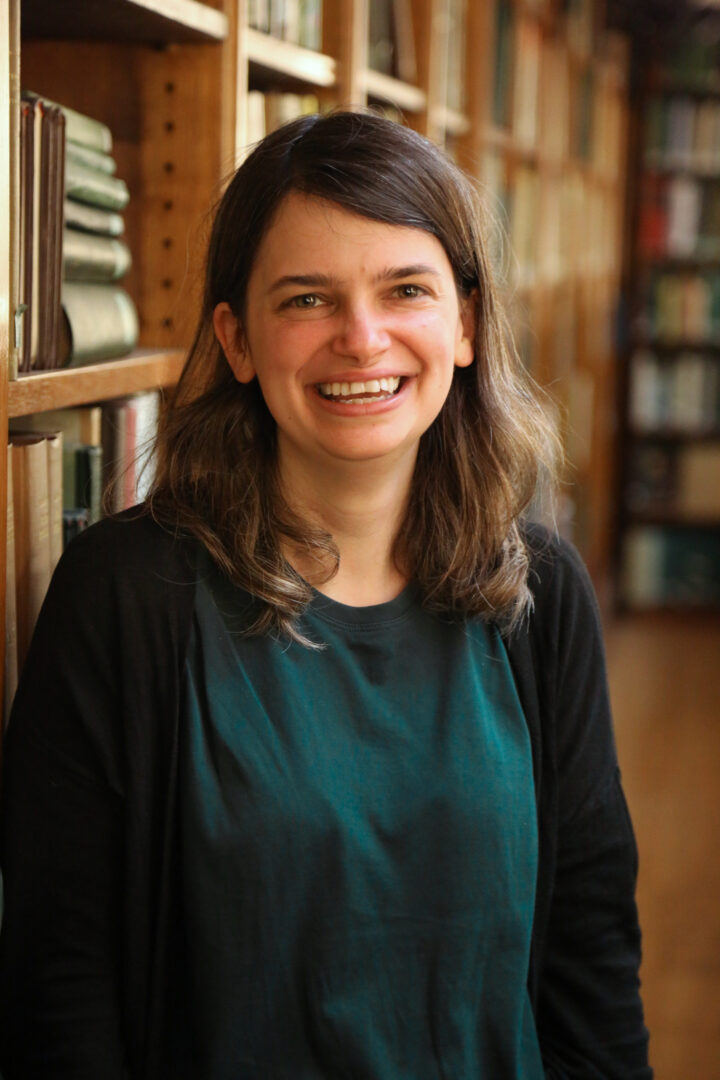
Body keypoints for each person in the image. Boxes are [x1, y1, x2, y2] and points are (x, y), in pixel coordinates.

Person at [0, 110, 651, 1078]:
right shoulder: (125, 594)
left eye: (406, 291)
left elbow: (590, 947)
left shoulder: (542, 594)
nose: (362, 337)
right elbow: (63, 977)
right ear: (238, 339)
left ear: (465, 324)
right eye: (307, 299)